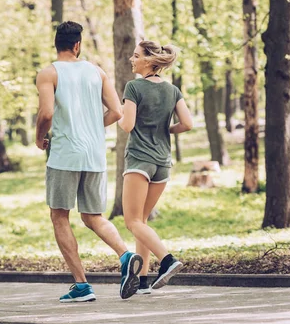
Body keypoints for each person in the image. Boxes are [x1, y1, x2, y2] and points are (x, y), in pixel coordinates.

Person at [36, 21, 142, 303]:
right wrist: (93, 126)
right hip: (94, 155)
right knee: (93, 217)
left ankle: (82, 285)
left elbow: (46, 113)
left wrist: (39, 138)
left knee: (59, 216)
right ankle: (126, 255)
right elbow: (117, 112)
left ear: (57, 44)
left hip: (64, 155)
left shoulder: (48, 73)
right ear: (77, 45)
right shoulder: (97, 72)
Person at [118, 40, 193, 294]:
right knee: (142, 221)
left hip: (140, 159)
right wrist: (167, 130)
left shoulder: (134, 87)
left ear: (149, 61)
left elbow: (127, 125)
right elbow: (187, 123)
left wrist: (119, 112)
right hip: (162, 163)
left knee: (131, 222)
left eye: (136, 56)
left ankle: (168, 260)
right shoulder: (172, 90)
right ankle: (142, 281)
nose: (132, 58)